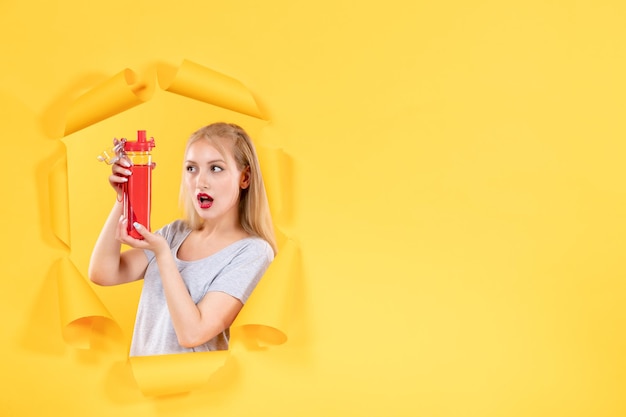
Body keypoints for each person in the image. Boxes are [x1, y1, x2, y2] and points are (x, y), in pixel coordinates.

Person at [88, 122, 276, 356]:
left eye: (215, 168)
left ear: (245, 178)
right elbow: (103, 273)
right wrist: (122, 198)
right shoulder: (176, 232)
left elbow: (192, 334)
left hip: (197, 389)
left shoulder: (252, 252)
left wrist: (163, 255)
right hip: (143, 385)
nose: (200, 181)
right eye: (191, 168)